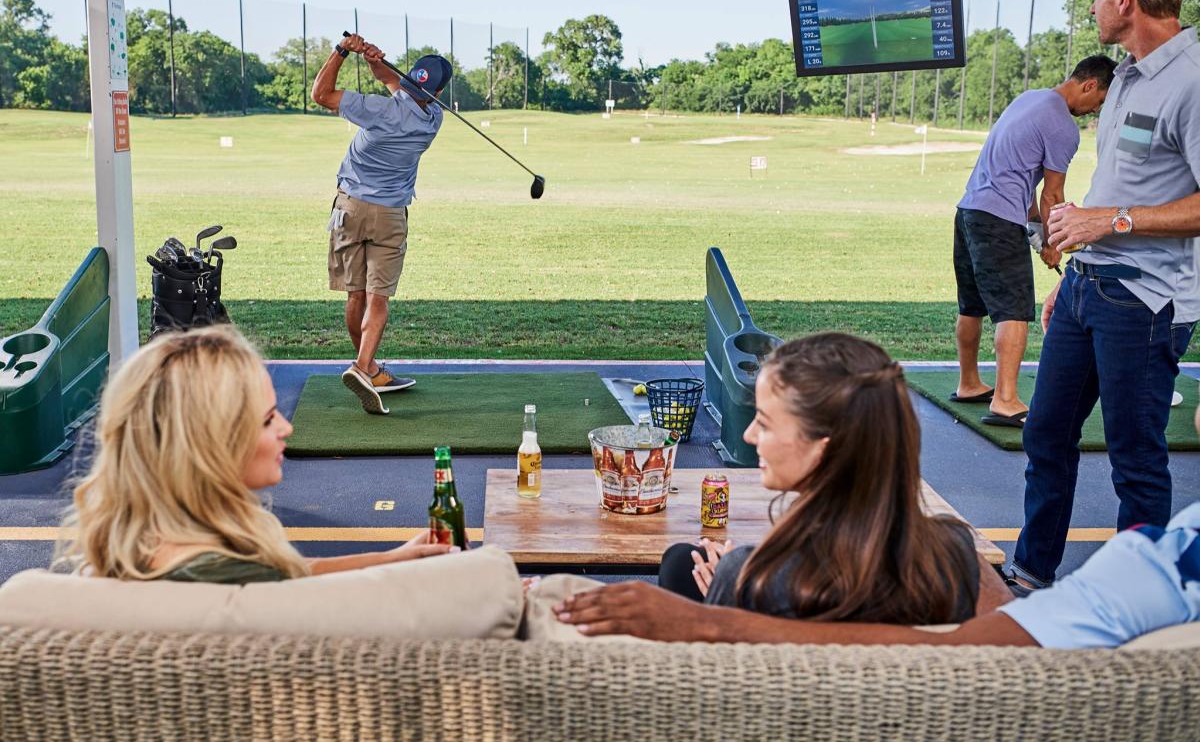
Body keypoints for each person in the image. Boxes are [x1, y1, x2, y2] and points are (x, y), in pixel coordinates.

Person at [1012, 0, 1200, 595]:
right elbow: (1125, 185)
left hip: (1147, 302)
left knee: (1135, 460)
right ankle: (1031, 575)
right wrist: (1079, 258)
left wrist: (1109, 222)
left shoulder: (1194, 78)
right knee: (1046, 436)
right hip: (1088, 290)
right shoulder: (1120, 79)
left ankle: (1136, 597)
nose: (1091, 7)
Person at [656, 333, 1012, 626]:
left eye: (764, 422)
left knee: (681, 564)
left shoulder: (755, 579)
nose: (749, 435)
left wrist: (721, 606)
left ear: (822, 450)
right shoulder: (955, 555)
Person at [54, 326, 455, 583]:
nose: (286, 427)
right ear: (209, 444)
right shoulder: (240, 580)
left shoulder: (135, 556)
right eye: (267, 420)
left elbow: (290, 576)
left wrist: (393, 559)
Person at [553, 499, 1200, 648]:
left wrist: (711, 618)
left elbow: (939, 651)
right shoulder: (1160, 575)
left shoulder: (1143, 586)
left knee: (683, 566)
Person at [951, 55, 1115, 428]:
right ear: (1089, 85)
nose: (1096, 110)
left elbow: (1022, 182)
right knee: (1014, 310)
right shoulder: (1063, 126)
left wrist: (1038, 232)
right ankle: (1005, 400)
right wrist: (1055, 242)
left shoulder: (1029, 99)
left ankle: (969, 383)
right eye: (1100, 101)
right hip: (997, 221)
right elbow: (1052, 196)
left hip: (969, 211)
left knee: (972, 304)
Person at [311, 34, 453, 415]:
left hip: (351, 208)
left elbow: (321, 94)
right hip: (390, 215)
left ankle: (362, 367)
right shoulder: (433, 118)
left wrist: (343, 51)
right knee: (378, 297)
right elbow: (399, 87)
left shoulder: (379, 111)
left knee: (355, 294)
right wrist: (376, 62)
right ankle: (367, 368)